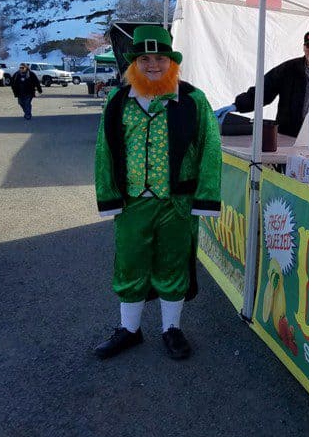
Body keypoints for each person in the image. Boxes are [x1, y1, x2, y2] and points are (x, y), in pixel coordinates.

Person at [93, 26, 222, 360]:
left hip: (176, 204)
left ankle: (171, 329)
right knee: (131, 263)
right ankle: (130, 330)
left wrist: (204, 198)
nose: (153, 64)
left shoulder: (193, 99)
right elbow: (104, 151)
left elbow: (210, 150)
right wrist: (108, 197)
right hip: (132, 203)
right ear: (133, 63)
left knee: (174, 264)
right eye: (145, 58)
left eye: (160, 58)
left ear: (171, 62)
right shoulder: (117, 100)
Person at [216, 30, 309, 145]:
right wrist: (237, 105)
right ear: (304, 48)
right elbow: (263, 89)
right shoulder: (289, 69)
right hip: (287, 137)